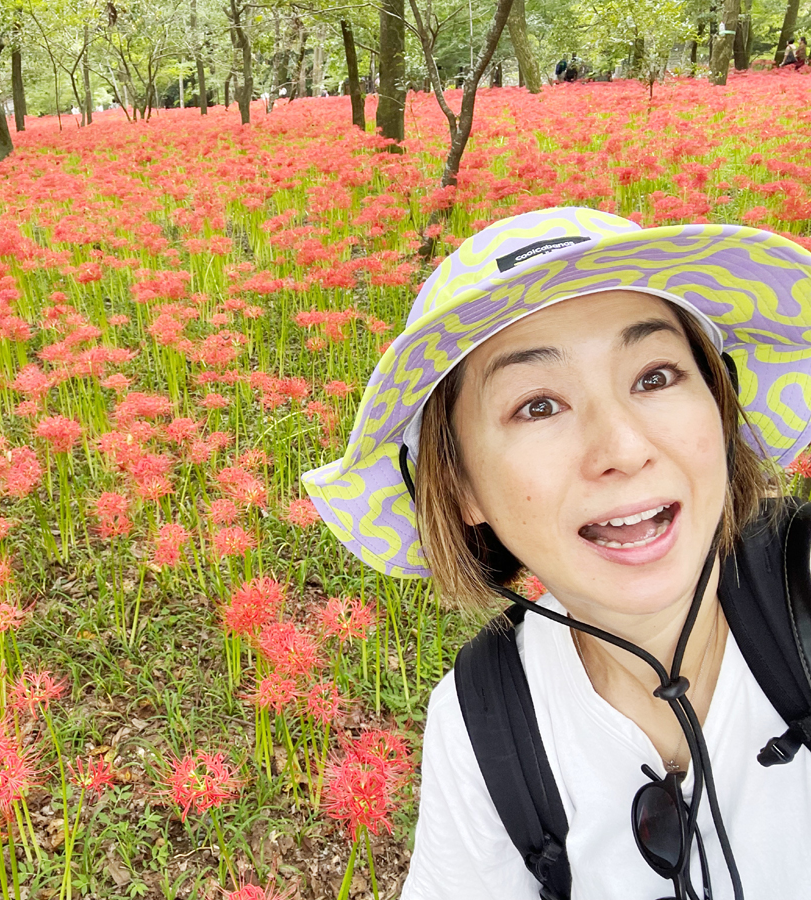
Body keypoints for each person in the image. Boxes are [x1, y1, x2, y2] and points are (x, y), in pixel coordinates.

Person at [301, 207, 811, 898]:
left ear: (721, 404)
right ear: (460, 491)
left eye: (656, 376)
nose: (625, 449)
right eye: (538, 406)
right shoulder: (485, 721)